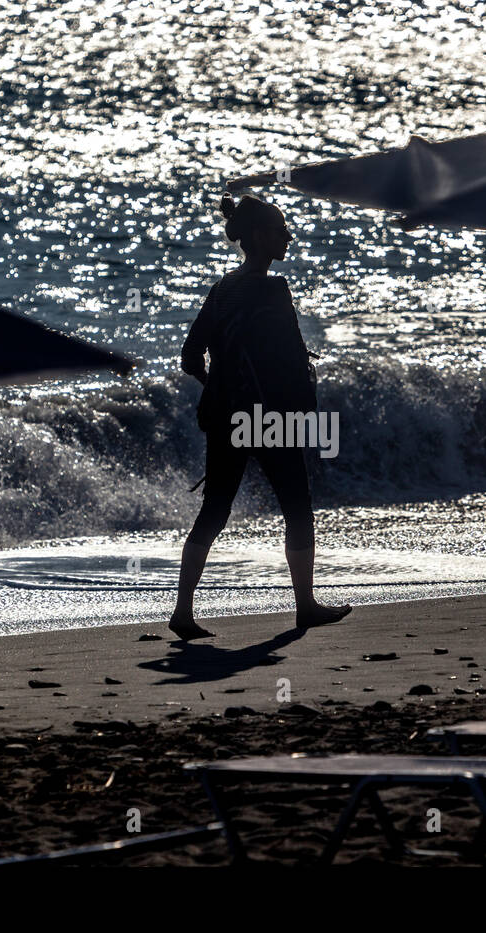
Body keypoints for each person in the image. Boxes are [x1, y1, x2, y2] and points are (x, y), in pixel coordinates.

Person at [169, 193, 351, 640]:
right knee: (297, 508)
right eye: (278, 231)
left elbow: (190, 356)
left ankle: (183, 611)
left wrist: (218, 387)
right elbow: (289, 362)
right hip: (270, 418)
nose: (287, 237)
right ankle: (305, 606)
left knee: (213, 512)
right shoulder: (273, 289)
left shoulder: (222, 290)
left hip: (226, 416)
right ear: (256, 237)